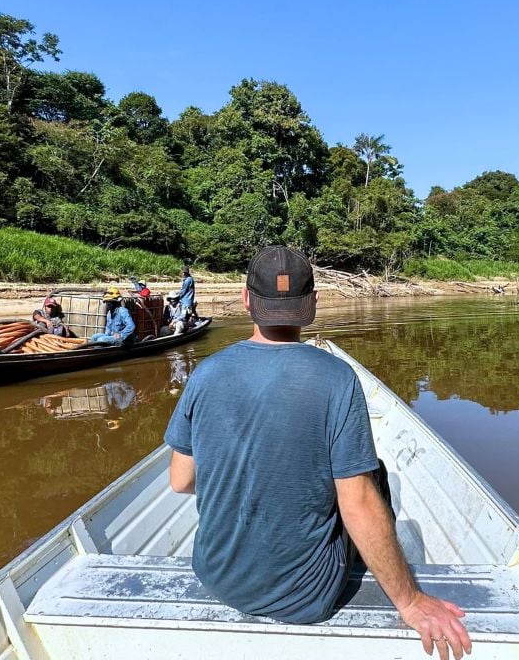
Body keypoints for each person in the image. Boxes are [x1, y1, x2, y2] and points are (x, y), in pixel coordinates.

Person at [164, 246, 471, 659]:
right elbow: (357, 502)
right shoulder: (336, 378)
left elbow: (180, 481)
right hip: (306, 596)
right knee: (371, 476)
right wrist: (411, 602)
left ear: (246, 299)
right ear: (311, 303)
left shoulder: (206, 373)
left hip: (217, 579)